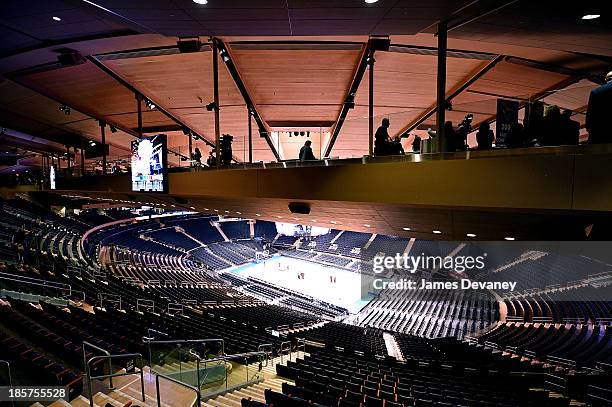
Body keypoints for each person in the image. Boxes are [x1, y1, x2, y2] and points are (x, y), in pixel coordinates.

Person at [586, 71, 612, 144]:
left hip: (601, 133)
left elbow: (591, 113)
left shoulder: (596, 91)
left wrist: (589, 128)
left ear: (606, 80)